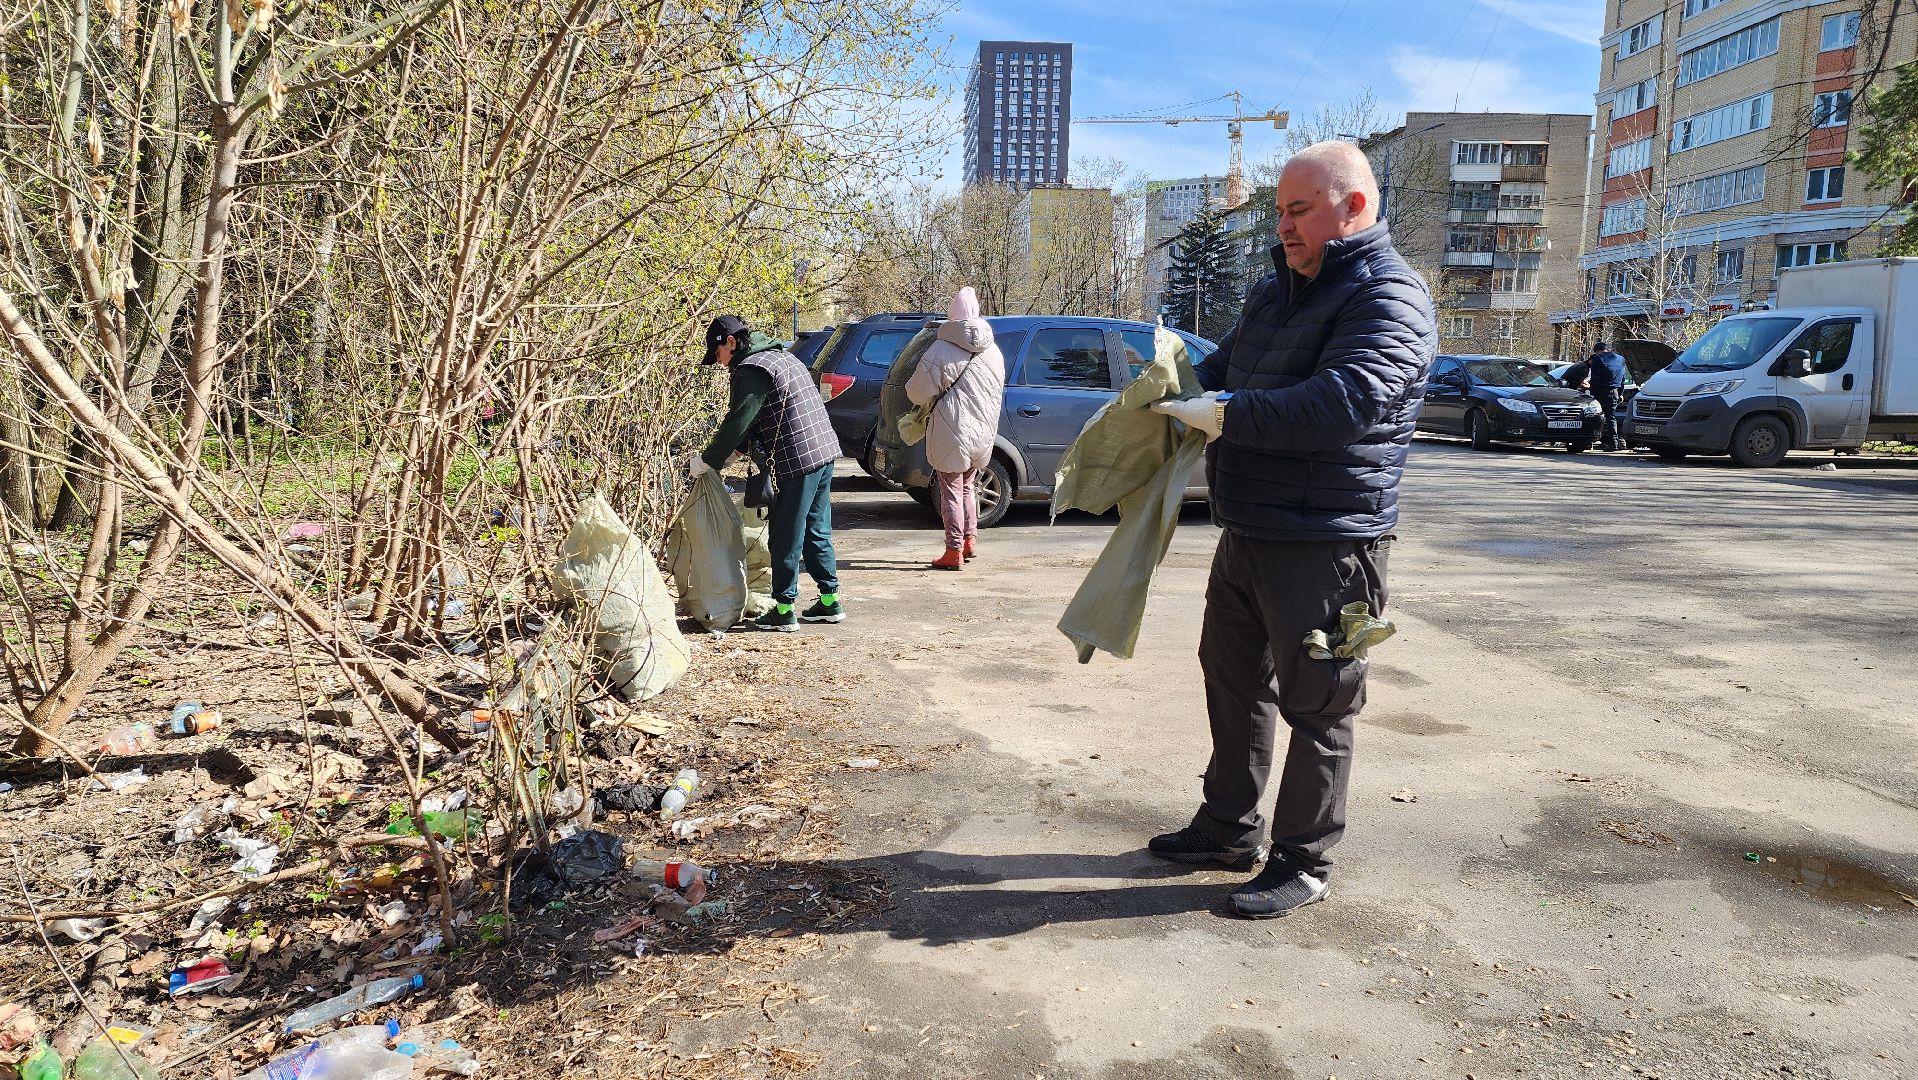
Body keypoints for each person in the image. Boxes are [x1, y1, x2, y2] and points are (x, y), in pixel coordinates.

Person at [1146, 141, 1438, 919]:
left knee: (1320, 704)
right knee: (1233, 683)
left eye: (1298, 210)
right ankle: (1226, 828)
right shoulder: (1273, 293)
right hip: (1249, 528)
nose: (1283, 226)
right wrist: (1169, 388)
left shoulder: (1392, 298)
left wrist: (1228, 415)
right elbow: (1225, 371)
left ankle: (1304, 861)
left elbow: (1345, 401)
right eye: (1279, 211)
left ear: (1355, 207)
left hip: (1330, 543)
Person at [692, 315, 844, 631]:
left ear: (730, 343)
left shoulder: (751, 369)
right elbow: (763, 414)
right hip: (824, 450)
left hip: (797, 458)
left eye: (718, 355)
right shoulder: (780, 356)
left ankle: (784, 610)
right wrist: (735, 453)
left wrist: (709, 460)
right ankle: (830, 601)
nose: (720, 363)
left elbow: (739, 420)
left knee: (785, 533)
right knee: (816, 528)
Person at [905, 287, 1006, 570]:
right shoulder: (994, 352)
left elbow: (916, 391)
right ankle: (970, 540)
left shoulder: (942, 349)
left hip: (952, 429)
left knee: (950, 488)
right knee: (967, 487)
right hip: (983, 431)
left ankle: (953, 551)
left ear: (952, 316)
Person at [1587, 341, 1629, 451]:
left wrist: (1592, 394)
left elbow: (1595, 378)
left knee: (1595, 416)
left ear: (1597, 352)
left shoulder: (1598, 359)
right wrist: (1620, 393)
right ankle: (1616, 442)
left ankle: (1595, 442)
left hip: (1602, 391)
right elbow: (1622, 379)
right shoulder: (1620, 359)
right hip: (1615, 392)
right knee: (1612, 418)